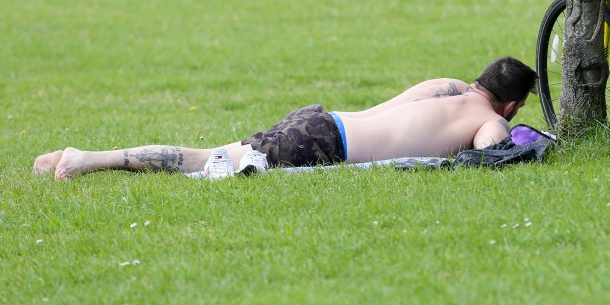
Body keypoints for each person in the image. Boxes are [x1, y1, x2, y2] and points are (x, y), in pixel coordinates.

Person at [33, 57, 537, 180]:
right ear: (511, 103)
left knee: (213, 156)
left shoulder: (443, 87)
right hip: (326, 146)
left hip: (322, 121)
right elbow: (497, 151)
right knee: (204, 162)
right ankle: (87, 160)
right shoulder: (485, 117)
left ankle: (75, 157)